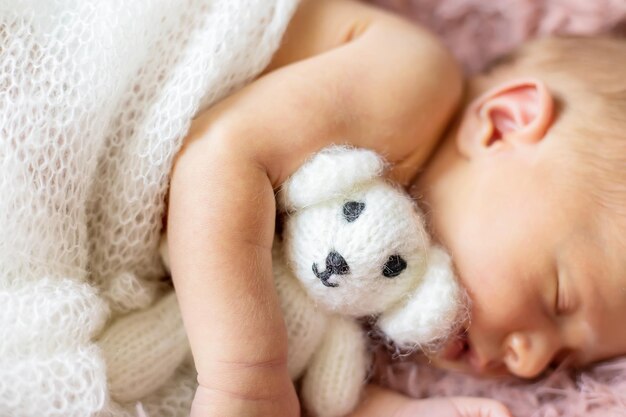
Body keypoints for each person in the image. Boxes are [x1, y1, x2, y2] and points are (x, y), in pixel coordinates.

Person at [164, 0, 626, 415]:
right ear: (504, 125)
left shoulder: (384, 281)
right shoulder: (413, 80)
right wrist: (247, 377)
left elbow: (305, 363)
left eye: (561, 361)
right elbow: (218, 158)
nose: (529, 363)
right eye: (558, 299)